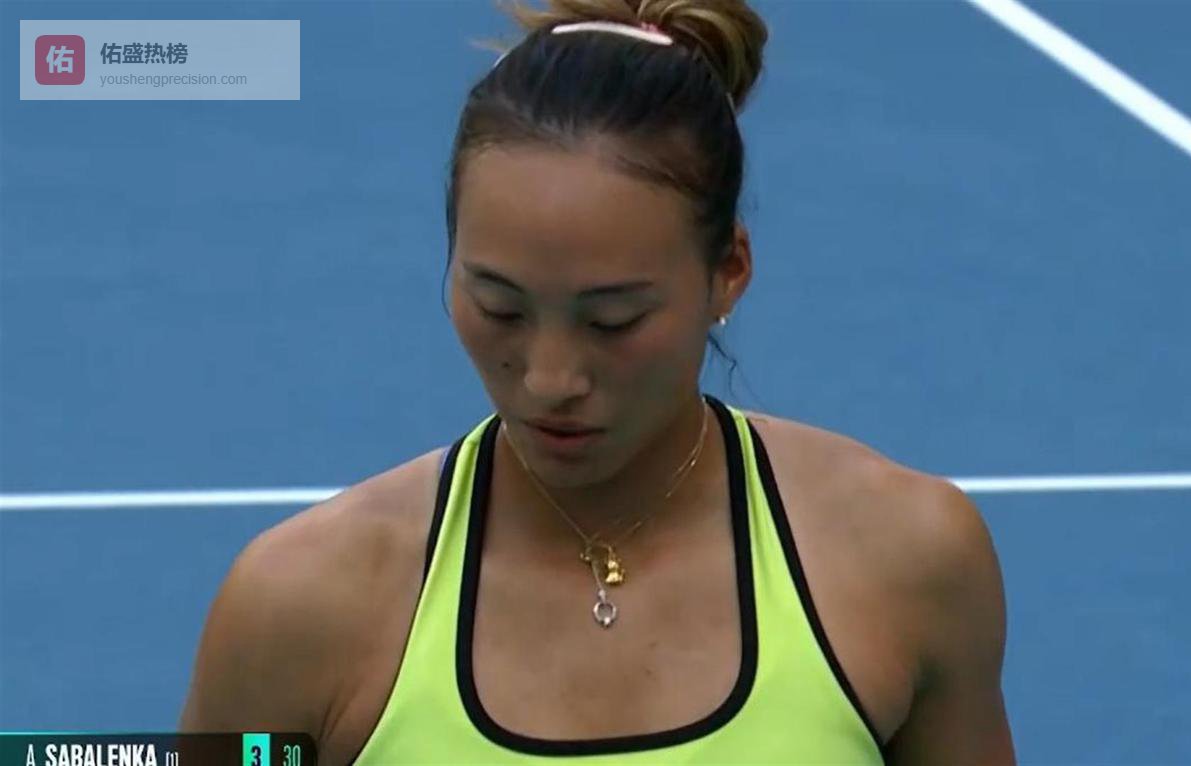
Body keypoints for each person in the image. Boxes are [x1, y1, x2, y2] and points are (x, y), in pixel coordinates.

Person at [180, 1, 1016, 763]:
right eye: (500, 306)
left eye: (613, 320)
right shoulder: (297, 611)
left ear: (728, 271)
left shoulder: (910, 561)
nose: (550, 380)